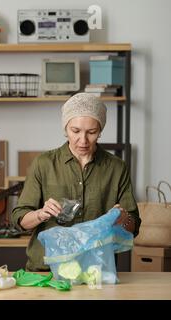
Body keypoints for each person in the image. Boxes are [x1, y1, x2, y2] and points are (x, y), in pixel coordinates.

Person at [11, 92, 141, 272]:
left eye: (92, 132)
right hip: (47, 270)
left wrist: (123, 218)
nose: (83, 140)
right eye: (75, 131)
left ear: (100, 130)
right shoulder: (44, 164)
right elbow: (19, 219)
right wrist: (41, 213)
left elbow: (133, 226)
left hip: (96, 272)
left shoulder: (117, 168)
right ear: (65, 129)